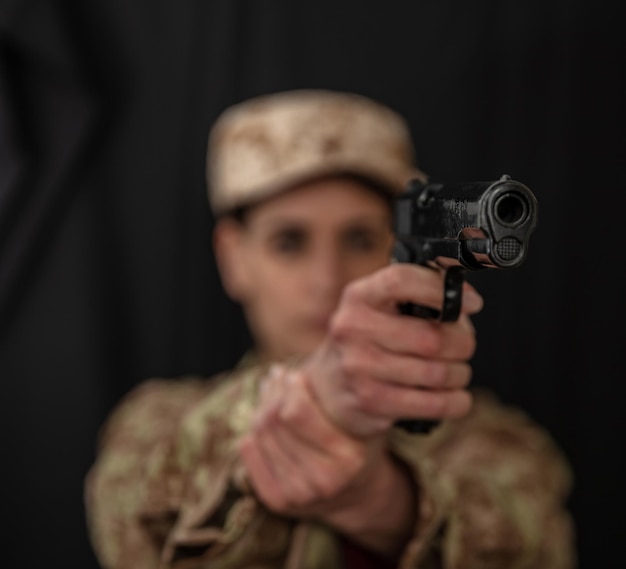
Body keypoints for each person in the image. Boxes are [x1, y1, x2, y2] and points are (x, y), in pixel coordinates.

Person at [84, 89, 577, 569]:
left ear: (399, 248)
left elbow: (533, 545)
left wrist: (382, 501)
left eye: (360, 238)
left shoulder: (495, 444)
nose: (328, 279)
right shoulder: (154, 425)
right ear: (233, 257)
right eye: (289, 241)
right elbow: (139, 517)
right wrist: (305, 402)